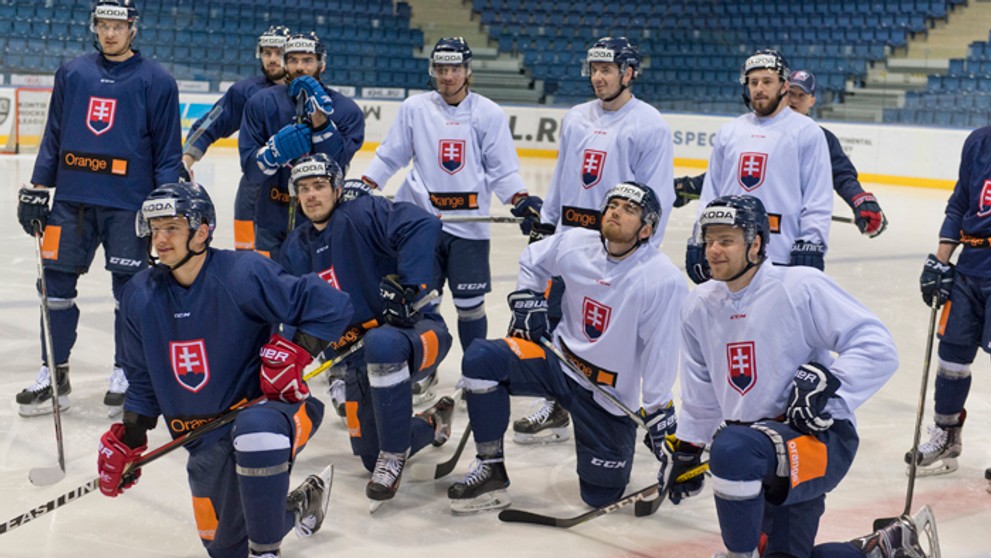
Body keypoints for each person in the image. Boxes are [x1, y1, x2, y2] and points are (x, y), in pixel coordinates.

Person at [665, 195, 932, 558]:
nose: (713, 250)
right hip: (758, 454)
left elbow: (877, 345)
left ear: (755, 243)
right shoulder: (699, 305)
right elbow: (701, 391)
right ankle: (879, 550)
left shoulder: (799, 286)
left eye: (726, 240)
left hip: (815, 438)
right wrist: (689, 446)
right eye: (709, 239)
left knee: (732, 447)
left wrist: (827, 390)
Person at [100, 181, 353, 558]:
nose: (160, 239)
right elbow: (141, 379)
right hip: (200, 439)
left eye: (172, 228)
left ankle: (267, 552)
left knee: (257, 436)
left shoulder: (243, 272)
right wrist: (130, 437)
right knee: (224, 548)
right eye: (155, 229)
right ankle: (300, 504)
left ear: (201, 232)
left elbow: (332, 304)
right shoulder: (138, 294)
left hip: (267, 413)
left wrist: (297, 352)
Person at [447, 182, 685, 514]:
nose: (616, 211)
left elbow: (661, 350)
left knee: (600, 495)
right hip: (557, 362)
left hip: (606, 393)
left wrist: (658, 409)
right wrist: (528, 300)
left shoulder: (662, 279)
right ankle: (491, 469)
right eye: (613, 204)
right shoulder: (576, 243)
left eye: (629, 209)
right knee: (481, 359)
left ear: (646, 229)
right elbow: (533, 259)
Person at [15, 0, 183, 418]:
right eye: (103, 25)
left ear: (133, 29)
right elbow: (55, 133)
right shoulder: (73, 73)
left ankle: (127, 372)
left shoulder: (158, 81)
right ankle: (54, 373)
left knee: (130, 292)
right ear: (94, 26)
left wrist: (164, 205)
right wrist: (39, 186)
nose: (110, 33)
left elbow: (167, 151)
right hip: (71, 201)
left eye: (118, 26)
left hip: (128, 204)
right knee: (54, 287)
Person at [519, 36, 675, 443]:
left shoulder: (649, 124)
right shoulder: (576, 117)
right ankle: (556, 404)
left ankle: (604, 407)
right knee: (557, 324)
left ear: (628, 73)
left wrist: (643, 254)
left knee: (601, 336)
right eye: (594, 69)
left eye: (606, 70)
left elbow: (659, 194)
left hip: (616, 250)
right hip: (571, 243)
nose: (598, 77)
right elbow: (563, 175)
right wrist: (547, 223)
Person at [361, 36, 540, 383]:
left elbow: (502, 169)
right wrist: (365, 184)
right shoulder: (415, 109)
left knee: (470, 305)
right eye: (441, 69)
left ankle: (475, 371)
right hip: (420, 223)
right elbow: (391, 154)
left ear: (467, 71)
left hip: (469, 226)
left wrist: (520, 199)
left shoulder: (488, 113)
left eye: (454, 69)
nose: (447, 76)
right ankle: (425, 371)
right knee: (421, 304)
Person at [280, 154, 454, 508]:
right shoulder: (295, 247)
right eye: (303, 188)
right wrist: (288, 363)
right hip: (358, 357)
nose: (311, 195)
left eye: (319, 186)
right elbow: (295, 313)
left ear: (337, 189)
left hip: (417, 333)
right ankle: (432, 422)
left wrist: (411, 288)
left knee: (382, 342)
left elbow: (422, 224)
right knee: (369, 456)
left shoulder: (362, 213)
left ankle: (394, 455)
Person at [672, 68, 888, 239]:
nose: (794, 100)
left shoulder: (816, 137)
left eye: (801, 95)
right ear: (782, 91)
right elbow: (733, 173)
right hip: (741, 232)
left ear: (812, 101)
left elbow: (842, 176)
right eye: (791, 93)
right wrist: (690, 186)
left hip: (785, 236)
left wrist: (860, 200)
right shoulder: (753, 128)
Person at [685, 50, 833, 285]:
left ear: (784, 85)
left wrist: (811, 242)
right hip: (732, 253)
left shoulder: (807, 132)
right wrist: (699, 237)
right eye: (753, 82)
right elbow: (711, 193)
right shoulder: (729, 132)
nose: (759, 88)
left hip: (781, 253)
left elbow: (817, 197)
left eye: (767, 81)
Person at [907, 125, 991, 483]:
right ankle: (946, 436)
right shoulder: (979, 141)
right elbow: (960, 203)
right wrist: (941, 261)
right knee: (952, 356)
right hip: (970, 267)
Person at [239, 31, 364, 261]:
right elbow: (251, 171)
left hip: (322, 223)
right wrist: (272, 154)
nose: (299, 67)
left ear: (321, 64)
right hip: (270, 222)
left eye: (307, 60)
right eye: (292, 60)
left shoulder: (346, 111)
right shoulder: (261, 103)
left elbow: (337, 165)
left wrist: (321, 122)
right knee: (268, 282)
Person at [182, 25, 291, 251]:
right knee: (248, 261)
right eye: (267, 53)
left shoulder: (307, 92)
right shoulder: (245, 91)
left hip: (298, 191)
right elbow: (210, 124)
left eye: (279, 53)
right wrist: (186, 159)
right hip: (253, 193)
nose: (272, 59)